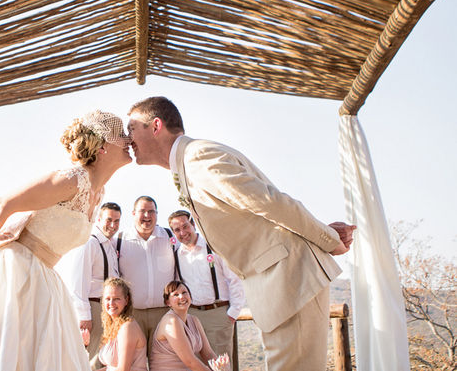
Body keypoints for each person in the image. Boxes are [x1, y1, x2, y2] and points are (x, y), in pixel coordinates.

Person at [127, 96, 357, 371]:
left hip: (290, 278)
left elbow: (269, 202)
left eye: (132, 128)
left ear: (155, 126)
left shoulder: (198, 157)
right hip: (273, 287)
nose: (128, 138)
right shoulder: (187, 165)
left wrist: (328, 239)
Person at [0, 110, 132, 371]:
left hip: (44, 277)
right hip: (13, 271)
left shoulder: (99, 193)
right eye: (121, 134)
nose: (128, 140)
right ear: (104, 145)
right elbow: (2, 204)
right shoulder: (71, 180)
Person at [168, 210, 244, 370]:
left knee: (221, 365)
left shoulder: (213, 246)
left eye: (185, 226)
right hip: (191, 316)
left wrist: (232, 313)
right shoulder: (176, 254)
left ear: (193, 224)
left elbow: (234, 279)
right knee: (195, 365)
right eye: (177, 230)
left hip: (217, 314)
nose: (182, 232)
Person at [57, 202, 123, 368]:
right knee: (92, 359)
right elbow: (77, 282)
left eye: (117, 221)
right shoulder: (89, 243)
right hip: (94, 309)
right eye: (109, 220)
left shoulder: (110, 245)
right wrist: (84, 316)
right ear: (99, 219)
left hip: (108, 310)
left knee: (105, 358)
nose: (113, 225)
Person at [116, 196, 176, 347]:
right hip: (132, 315)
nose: (147, 216)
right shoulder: (120, 240)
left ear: (157, 214)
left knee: (164, 363)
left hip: (164, 314)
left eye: (151, 211)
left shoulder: (170, 237)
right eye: (142, 211)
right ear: (133, 213)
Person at [150, 281, 217, 370]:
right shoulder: (171, 321)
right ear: (168, 302)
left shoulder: (194, 320)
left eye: (184, 292)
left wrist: (222, 367)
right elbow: (190, 361)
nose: (181, 297)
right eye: (176, 295)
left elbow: (208, 353)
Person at [97, 277, 148, 371]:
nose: (111, 303)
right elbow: (110, 368)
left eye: (116, 299)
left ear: (126, 300)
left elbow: (123, 369)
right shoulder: (113, 326)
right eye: (107, 299)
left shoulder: (128, 327)